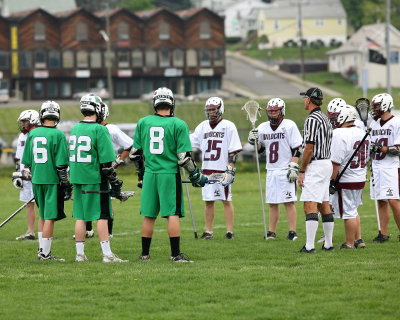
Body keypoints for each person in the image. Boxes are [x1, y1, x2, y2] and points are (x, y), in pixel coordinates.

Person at [130, 87, 206, 262]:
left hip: (150, 173)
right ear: (172, 103)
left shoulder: (143, 122)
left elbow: (135, 154)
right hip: (169, 174)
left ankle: (144, 254)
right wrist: (196, 175)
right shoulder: (178, 124)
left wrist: (141, 174)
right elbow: (184, 158)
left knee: (149, 215)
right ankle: (175, 254)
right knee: (172, 214)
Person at [70, 94, 128, 262]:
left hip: (77, 177)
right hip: (94, 178)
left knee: (80, 216)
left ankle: (80, 255)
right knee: (102, 215)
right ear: (97, 109)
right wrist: (115, 182)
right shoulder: (100, 129)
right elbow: (107, 163)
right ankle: (107, 254)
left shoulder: (75, 128)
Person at [21, 101, 71, 260]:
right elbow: (62, 164)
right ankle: (45, 253)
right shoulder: (58, 134)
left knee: (43, 215)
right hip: (51, 181)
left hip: (37, 181)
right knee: (50, 217)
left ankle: (41, 249)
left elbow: (27, 161)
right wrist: (66, 183)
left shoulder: (33, 134)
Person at [248, 98, 302, 240]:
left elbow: (297, 148)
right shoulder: (262, 127)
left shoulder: (289, 125)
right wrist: (254, 141)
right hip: (271, 169)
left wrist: (293, 166)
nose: (272, 114)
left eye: (275, 111)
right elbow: (260, 150)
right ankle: (271, 232)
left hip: (286, 168)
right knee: (272, 203)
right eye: (270, 111)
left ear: (282, 110)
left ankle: (292, 231)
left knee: (289, 202)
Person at [190, 97, 242, 240]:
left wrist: (230, 168)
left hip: (222, 169)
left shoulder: (228, 126)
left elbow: (233, 150)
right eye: (209, 110)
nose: (211, 112)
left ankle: (230, 231)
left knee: (226, 199)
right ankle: (208, 231)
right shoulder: (202, 126)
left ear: (220, 109)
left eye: (213, 109)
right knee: (208, 200)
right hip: (207, 169)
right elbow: (190, 141)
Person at [80, 102, 133, 238]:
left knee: (105, 201)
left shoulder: (111, 129)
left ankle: (108, 232)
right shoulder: (89, 128)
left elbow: (129, 145)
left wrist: (119, 161)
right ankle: (88, 230)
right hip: (89, 170)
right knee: (87, 199)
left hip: (104, 169)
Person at [297, 87, 334, 253]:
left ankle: (310, 246)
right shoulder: (325, 118)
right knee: (324, 203)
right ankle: (328, 243)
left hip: (317, 164)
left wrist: (302, 170)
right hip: (327, 163)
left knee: (310, 204)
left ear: (309, 100)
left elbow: (309, 148)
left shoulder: (312, 119)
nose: (304, 100)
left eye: (305, 98)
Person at [329, 105, 369, 249]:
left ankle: (349, 243)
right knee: (353, 209)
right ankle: (358, 240)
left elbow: (335, 163)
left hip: (346, 178)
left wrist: (331, 180)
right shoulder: (362, 132)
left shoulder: (339, 133)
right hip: (359, 175)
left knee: (348, 213)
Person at [369, 93, 400, 243]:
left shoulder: (397, 122)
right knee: (381, 201)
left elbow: (398, 150)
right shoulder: (374, 124)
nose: (374, 109)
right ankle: (383, 234)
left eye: (376, 106)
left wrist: (381, 149)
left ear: (386, 105)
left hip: (391, 167)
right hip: (376, 166)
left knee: (393, 200)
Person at [12, 110, 40, 241]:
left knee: (42, 204)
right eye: (22, 121)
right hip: (25, 177)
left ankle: (43, 232)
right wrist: (17, 174)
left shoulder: (39, 135)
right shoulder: (22, 136)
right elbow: (18, 158)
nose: (23, 124)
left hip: (38, 175)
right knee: (28, 204)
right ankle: (30, 232)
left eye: (25, 121)